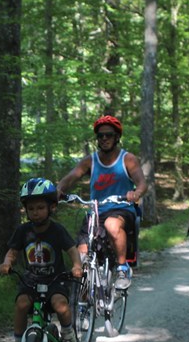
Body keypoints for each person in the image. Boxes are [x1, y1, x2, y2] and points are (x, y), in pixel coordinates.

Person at [0, 178, 83, 342]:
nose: (35, 213)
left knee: (60, 304)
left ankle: (68, 334)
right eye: (31, 209)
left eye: (40, 208)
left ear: (52, 207)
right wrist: (6, 263)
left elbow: (72, 250)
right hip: (31, 280)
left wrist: (77, 266)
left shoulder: (57, 230)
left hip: (55, 279)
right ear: (26, 210)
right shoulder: (23, 231)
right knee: (21, 303)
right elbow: (12, 252)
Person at [55, 114, 147, 290]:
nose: (104, 138)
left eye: (109, 135)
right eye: (100, 135)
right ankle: (83, 303)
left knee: (112, 225)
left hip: (121, 208)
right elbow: (71, 177)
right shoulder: (91, 160)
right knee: (81, 257)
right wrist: (59, 190)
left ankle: (122, 268)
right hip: (96, 212)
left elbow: (142, 183)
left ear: (117, 137)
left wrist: (136, 193)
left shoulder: (127, 159)